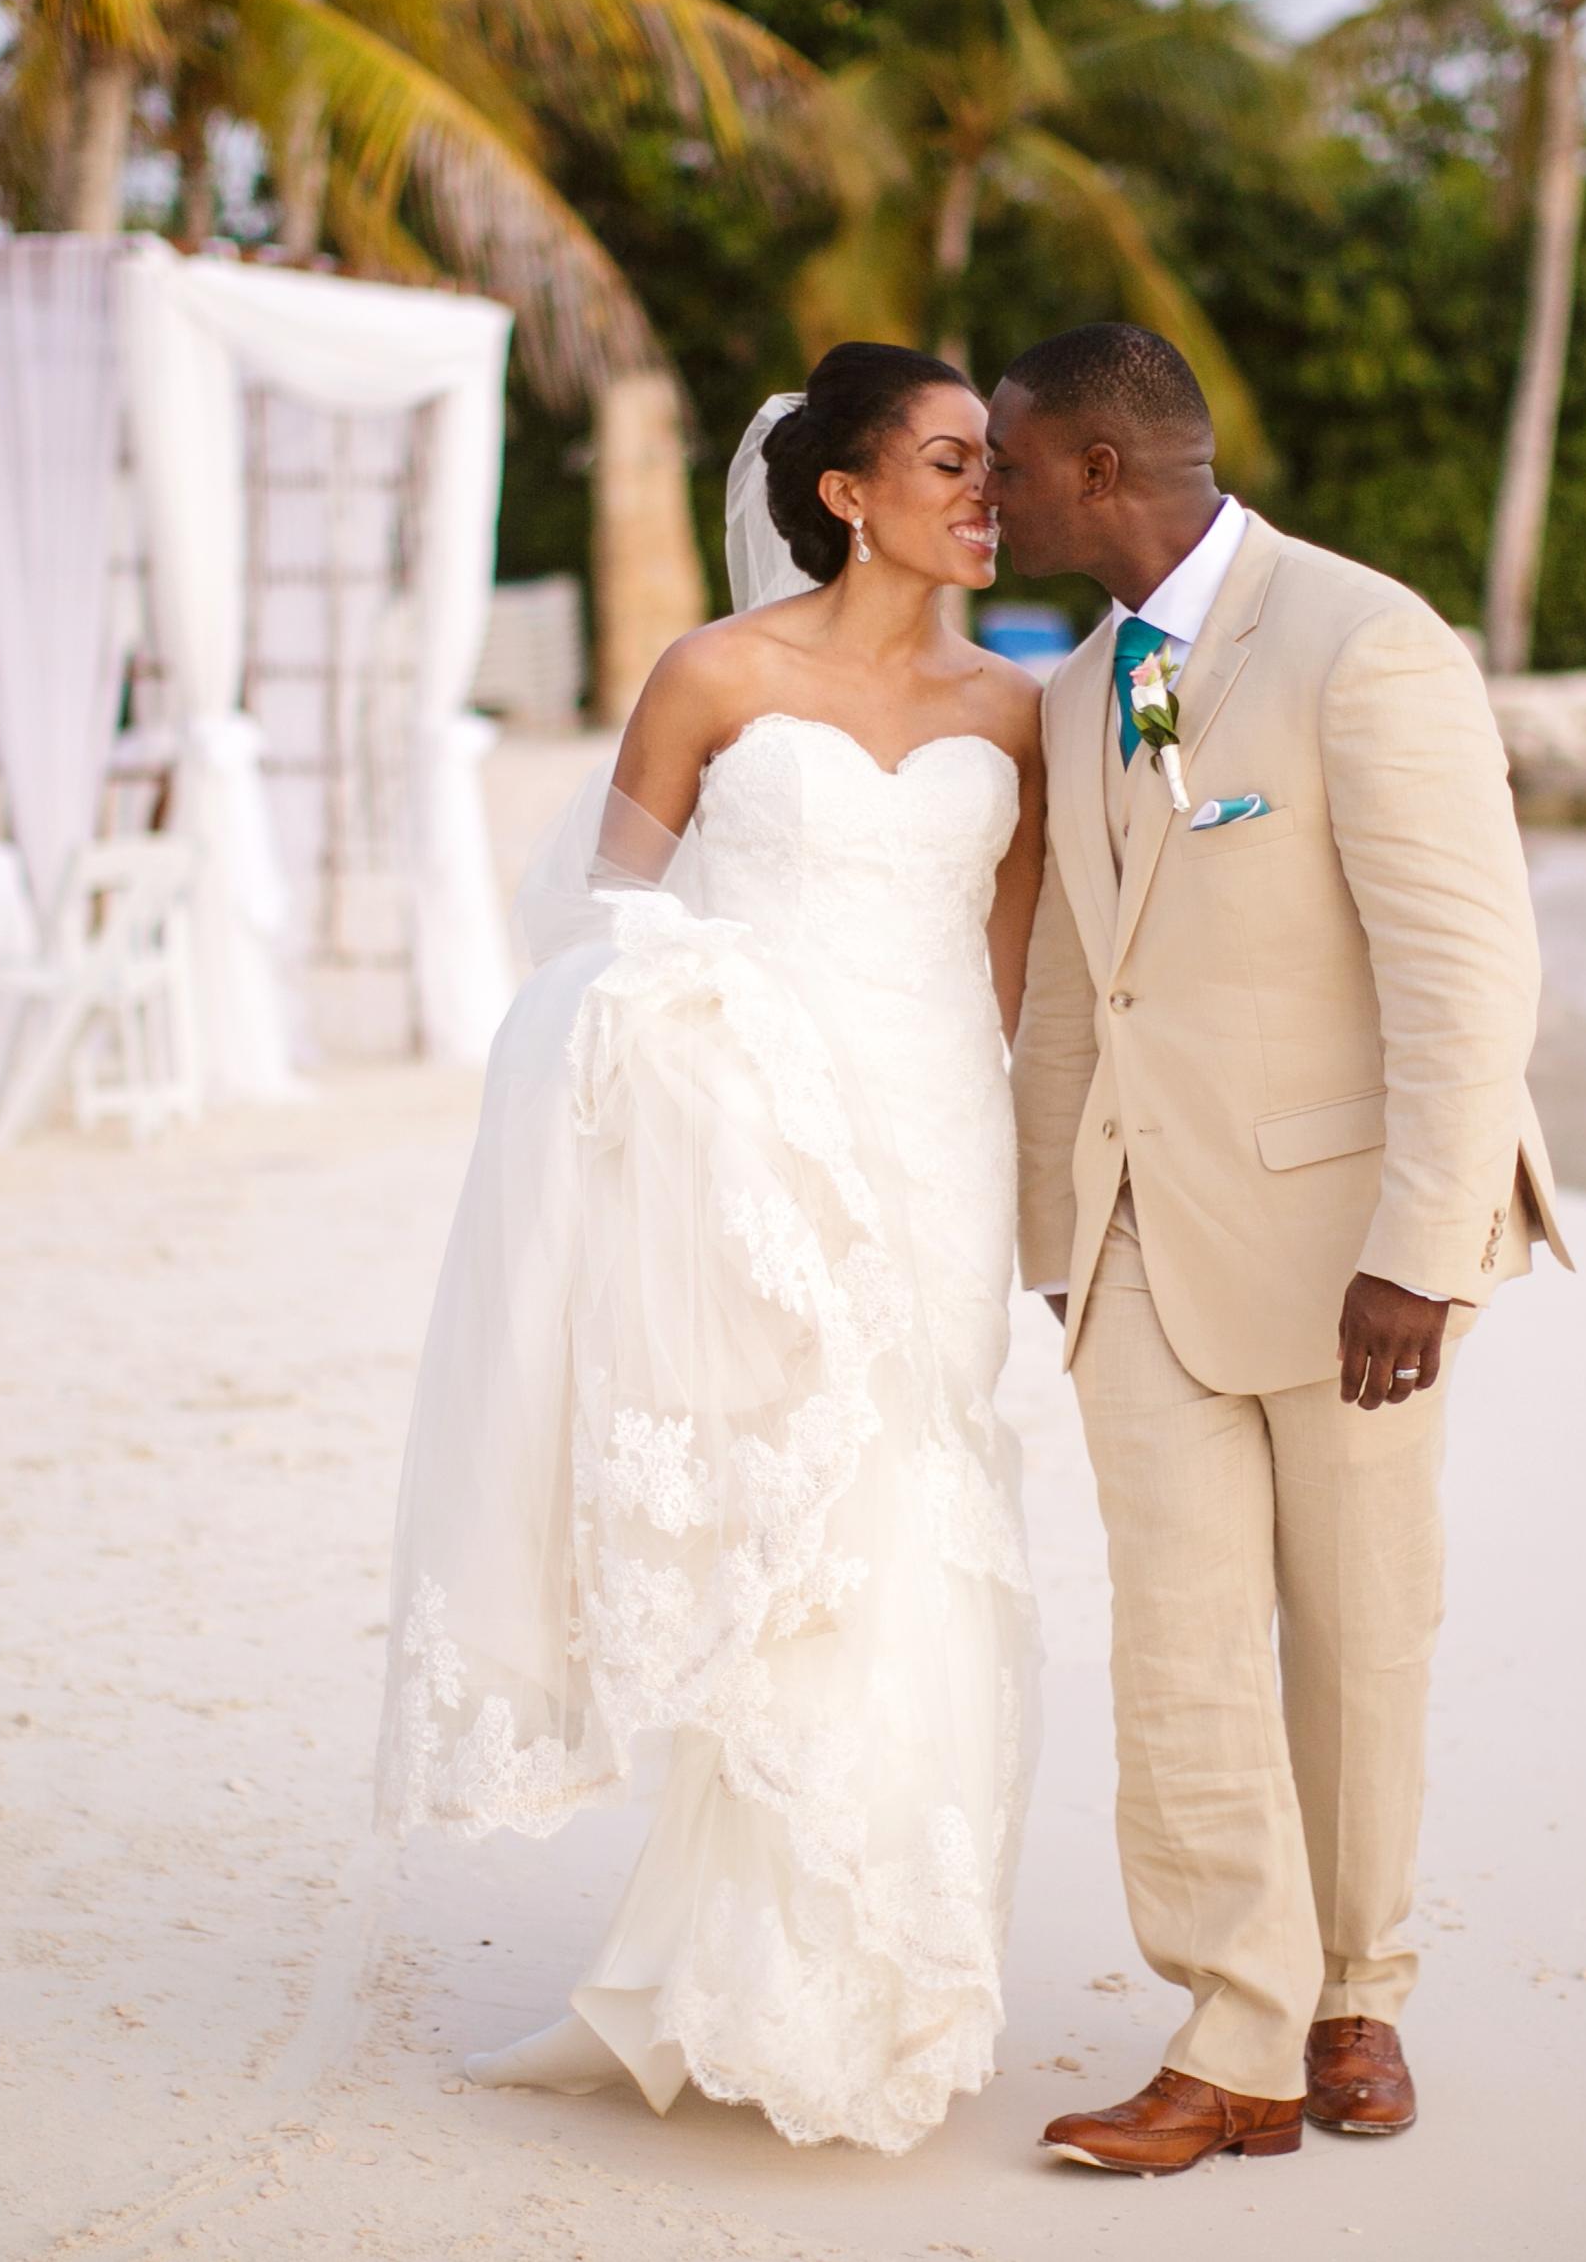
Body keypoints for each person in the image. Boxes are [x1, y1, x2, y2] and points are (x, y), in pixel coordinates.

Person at [373, 342, 1049, 2153]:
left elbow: (1016, 969)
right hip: (748, 1146)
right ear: (846, 492)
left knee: (926, 1505)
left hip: (938, 1144)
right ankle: (748, 1963)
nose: (992, 494)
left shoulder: (1020, 708)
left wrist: (1041, 1178)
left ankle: (890, 1963)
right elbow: (607, 926)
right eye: (952, 462)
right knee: (804, 1530)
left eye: (994, 467)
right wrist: (701, 1091)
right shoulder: (713, 674)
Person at [988, 322, 1569, 2175]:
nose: (982, 491)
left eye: (1004, 460)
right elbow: (1085, 973)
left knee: (1358, 1627)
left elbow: (1467, 968)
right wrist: (1060, 1239)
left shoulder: (1364, 640)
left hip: (1357, 1237)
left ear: (1096, 470)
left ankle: (1355, 1992)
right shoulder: (1079, 690)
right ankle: (1232, 2033)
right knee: (1176, 1632)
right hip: (1143, 1232)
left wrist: (1421, 1240)